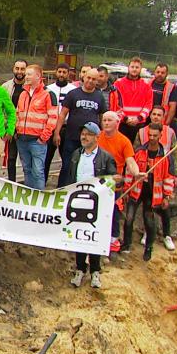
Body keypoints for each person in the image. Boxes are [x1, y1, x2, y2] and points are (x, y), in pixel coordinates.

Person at [68, 122, 116, 289]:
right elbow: (69, 177)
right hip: (78, 203)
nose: (84, 136)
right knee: (79, 238)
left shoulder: (106, 157)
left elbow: (112, 179)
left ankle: (95, 270)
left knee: (94, 237)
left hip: (97, 205)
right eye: (82, 133)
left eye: (88, 134)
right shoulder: (76, 155)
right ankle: (80, 268)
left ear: (96, 137)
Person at [121, 123, 175, 262]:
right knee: (129, 219)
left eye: (155, 136)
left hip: (152, 194)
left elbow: (168, 177)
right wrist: (126, 189)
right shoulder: (139, 152)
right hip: (136, 190)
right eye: (150, 135)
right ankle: (126, 245)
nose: (151, 138)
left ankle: (149, 248)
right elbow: (129, 171)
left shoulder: (165, 157)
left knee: (149, 222)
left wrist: (166, 196)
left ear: (160, 136)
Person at [134, 106, 177, 251]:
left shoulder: (170, 133)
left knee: (164, 208)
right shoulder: (141, 132)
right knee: (148, 208)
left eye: (159, 114)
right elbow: (135, 152)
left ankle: (167, 235)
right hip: (146, 177)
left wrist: (175, 174)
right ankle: (148, 232)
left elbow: (174, 155)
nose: (156, 117)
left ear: (163, 116)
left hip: (163, 175)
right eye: (154, 114)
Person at [97, 111, 140, 255]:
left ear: (117, 123)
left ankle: (113, 239)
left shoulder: (124, 141)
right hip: (97, 181)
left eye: (109, 120)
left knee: (113, 211)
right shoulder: (97, 137)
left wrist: (136, 173)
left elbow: (130, 161)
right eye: (104, 120)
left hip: (114, 183)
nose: (106, 123)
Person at [54, 68, 106, 186]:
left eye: (94, 79)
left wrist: (102, 135)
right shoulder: (73, 94)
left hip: (91, 141)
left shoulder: (99, 96)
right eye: (88, 78)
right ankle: (61, 190)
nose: (90, 81)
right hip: (72, 137)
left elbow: (102, 117)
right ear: (83, 77)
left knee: (87, 167)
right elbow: (62, 114)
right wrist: (57, 133)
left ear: (97, 81)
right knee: (67, 166)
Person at [15, 64, 57, 190]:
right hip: (22, 139)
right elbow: (18, 113)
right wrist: (17, 130)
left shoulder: (48, 94)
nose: (26, 76)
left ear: (38, 76)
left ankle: (39, 198)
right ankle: (29, 197)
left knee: (38, 171)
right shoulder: (23, 93)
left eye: (29, 74)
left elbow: (53, 117)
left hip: (37, 140)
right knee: (26, 170)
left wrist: (44, 137)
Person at [44, 63, 76, 185]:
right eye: (59, 71)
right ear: (56, 72)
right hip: (50, 126)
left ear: (68, 74)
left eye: (64, 72)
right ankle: (43, 183)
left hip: (65, 127)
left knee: (66, 159)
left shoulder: (73, 90)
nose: (61, 74)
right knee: (46, 158)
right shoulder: (48, 89)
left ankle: (63, 185)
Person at [113, 57, 152, 143]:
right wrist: (125, 118)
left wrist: (139, 118)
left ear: (141, 69)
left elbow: (148, 104)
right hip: (122, 123)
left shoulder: (146, 85)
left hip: (140, 123)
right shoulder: (118, 83)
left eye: (137, 67)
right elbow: (116, 103)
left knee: (137, 150)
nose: (134, 69)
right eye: (132, 67)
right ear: (128, 67)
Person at [1, 59, 27, 182]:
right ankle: (12, 182)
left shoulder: (30, 87)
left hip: (26, 128)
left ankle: (28, 184)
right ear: (13, 69)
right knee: (11, 158)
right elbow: (1, 108)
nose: (19, 71)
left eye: (22, 69)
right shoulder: (5, 87)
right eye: (17, 68)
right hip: (10, 127)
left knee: (26, 158)